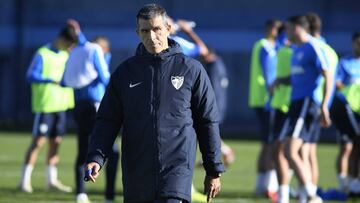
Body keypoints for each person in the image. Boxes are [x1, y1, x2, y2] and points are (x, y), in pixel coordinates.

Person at [85, 4, 225, 203]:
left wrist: (213, 169)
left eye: (157, 29)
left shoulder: (191, 70)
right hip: (137, 171)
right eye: (145, 31)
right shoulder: (125, 73)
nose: (151, 36)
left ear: (168, 28)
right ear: (137, 32)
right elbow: (107, 120)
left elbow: (207, 121)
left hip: (177, 170)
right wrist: (96, 157)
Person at [63, 20, 120, 203]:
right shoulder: (96, 56)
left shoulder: (85, 55)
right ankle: (108, 196)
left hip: (80, 106)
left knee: (84, 149)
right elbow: (106, 80)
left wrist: (79, 33)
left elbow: (84, 45)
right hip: (96, 108)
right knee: (111, 151)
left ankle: (81, 192)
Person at [19, 25, 77, 193]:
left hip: (62, 105)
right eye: (68, 43)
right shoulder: (42, 53)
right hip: (46, 105)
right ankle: (24, 181)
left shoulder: (67, 54)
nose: (70, 47)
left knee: (56, 143)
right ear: (61, 39)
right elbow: (30, 75)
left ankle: (51, 180)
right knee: (38, 142)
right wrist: (50, 80)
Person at [282, 15, 333, 203]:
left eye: (287, 28)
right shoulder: (297, 50)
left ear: (297, 28)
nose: (285, 32)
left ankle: (312, 195)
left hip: (306, 104)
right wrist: (282, 80)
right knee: (300, 152)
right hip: (296, 103)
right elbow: (298, 77)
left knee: (290, 150)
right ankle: (306, 195)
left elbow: (327, 74)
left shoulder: (313, 47)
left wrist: (324, 106)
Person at [248, 19, 282, 199]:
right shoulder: (266, 46)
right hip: (267, 100)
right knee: (271, 144)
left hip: (262, 99)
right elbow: (269, 74)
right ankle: (268, 186)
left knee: (267, 143)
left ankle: (261, 185)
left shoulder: (265, 46)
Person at [330, 32, 360, 195]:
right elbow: (337, 82)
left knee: (357, 147)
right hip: (347, 110)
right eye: (357, 42)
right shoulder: (345, 63)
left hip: (359, 111)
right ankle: (343, 183)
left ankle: (355, 182)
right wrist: (352, 88)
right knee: (346, 147)